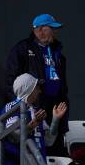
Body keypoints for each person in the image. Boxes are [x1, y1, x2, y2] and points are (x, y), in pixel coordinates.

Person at [5, 14, 69, 154]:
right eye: (51, 28)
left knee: (54, 149)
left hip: (55, 109)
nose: (55, 32)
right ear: (40, 30)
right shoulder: (22, 49)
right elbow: (11, 82)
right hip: (34, 108)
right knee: (32, 150)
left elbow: (62, 83)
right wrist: (24, 106)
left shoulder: (57, 52)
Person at [1, 73, 68, 165]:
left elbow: (49, 141)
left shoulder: (36, 111)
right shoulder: (12, 108)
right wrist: (33, 124)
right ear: (29, 89)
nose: (39, 91)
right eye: (37, 88)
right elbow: (14, 137)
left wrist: (55, 120)